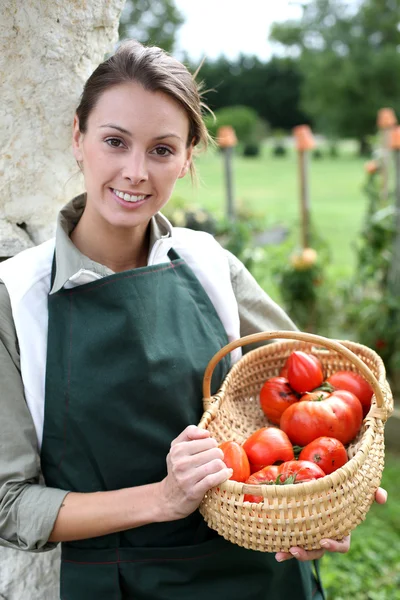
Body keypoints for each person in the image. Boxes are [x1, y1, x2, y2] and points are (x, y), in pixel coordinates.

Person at [0, 40, 387, 600]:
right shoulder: (18, 297)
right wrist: (162, 497)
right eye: (115, 142)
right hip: (122, 582)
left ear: (186, 158)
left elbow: (310, 397)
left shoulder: (209, 264)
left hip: (262, 574)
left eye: (161, 149)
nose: (135, 172)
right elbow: (10, 503)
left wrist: (325, 503)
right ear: (78, 136)